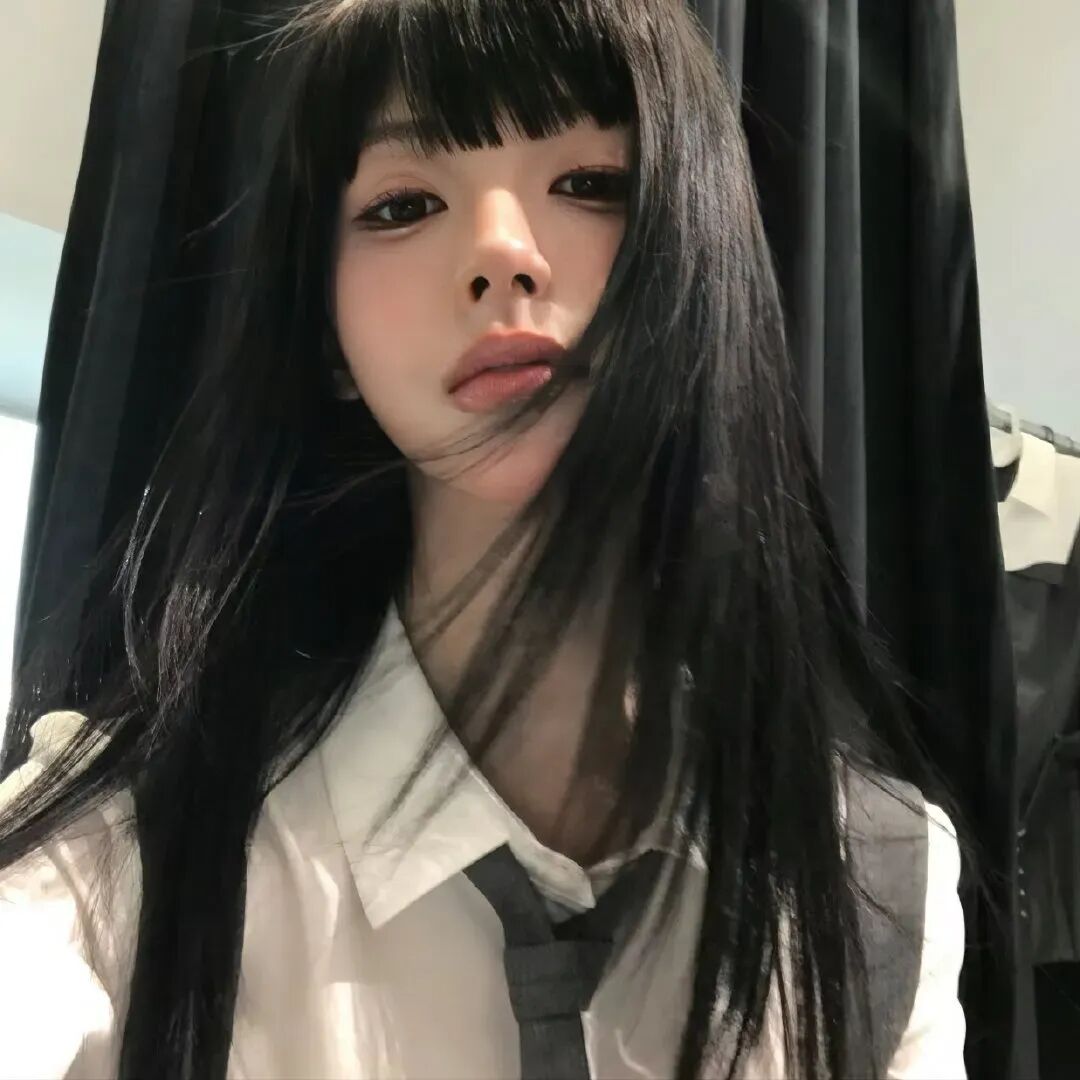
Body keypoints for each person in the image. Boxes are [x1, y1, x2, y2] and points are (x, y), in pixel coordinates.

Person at [0, 1, 967, 1077]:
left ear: (704, 264)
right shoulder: (120, 849)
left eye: (590, 182)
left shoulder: (876, 881)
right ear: (328, 335)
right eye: (403, 204)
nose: (502, 252)